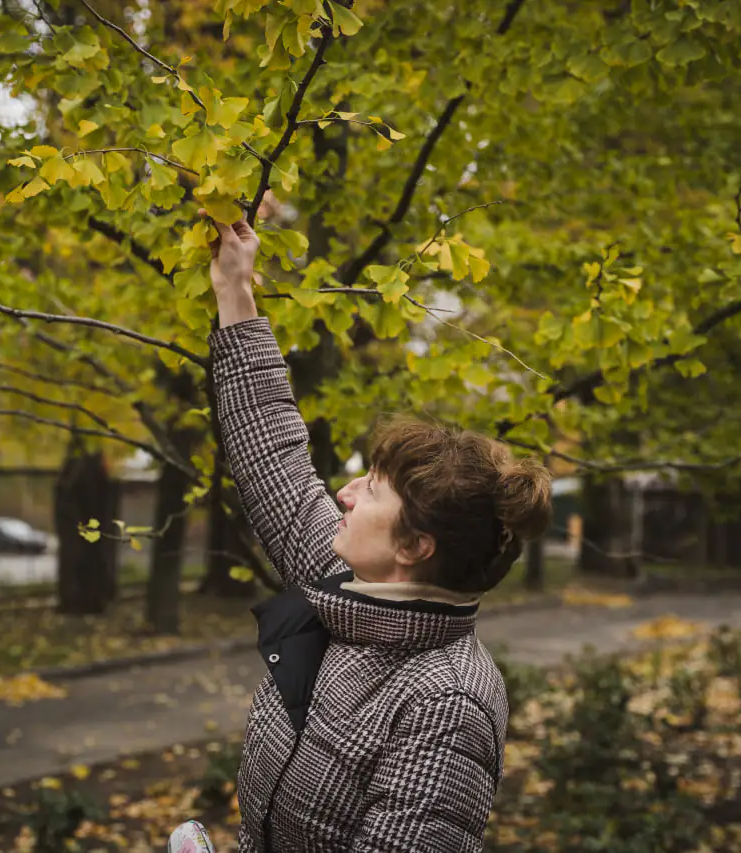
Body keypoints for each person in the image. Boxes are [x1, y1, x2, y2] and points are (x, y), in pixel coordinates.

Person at [190, 212, 553, 852]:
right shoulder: (346, 586)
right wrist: (234, 291)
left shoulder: (448, 701)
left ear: (414, 548)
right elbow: (271, 451)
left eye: (372, 488)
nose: (344, 493)